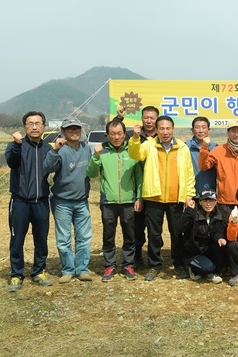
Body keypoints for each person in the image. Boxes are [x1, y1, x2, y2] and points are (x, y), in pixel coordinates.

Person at [128, 115, 196, 281]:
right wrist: (135, 139)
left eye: (168, 128)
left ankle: (178, 264)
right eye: (162, 129)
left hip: (176, 199)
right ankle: (155, 264)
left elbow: (189, 173)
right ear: (157, 130)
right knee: (154, 234)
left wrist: (189, 195)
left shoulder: (182, 148)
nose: (165, 132)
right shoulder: (149, 145)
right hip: (154, 197)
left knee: (177, 233)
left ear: (173, 129)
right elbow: (136, 154)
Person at [86, 119, 143, 282]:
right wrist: (96, 157)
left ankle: (128, 264)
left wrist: (139, 197)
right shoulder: (102, 152)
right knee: (108, 235)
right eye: (113, 134)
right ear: (108, 135)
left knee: (130, 234)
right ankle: (109, 265)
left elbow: (139, 177)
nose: (116, 137)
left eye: (119, 133)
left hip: (128, 201)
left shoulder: (132, 152)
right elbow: (91, 173)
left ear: (125, 134)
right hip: (108, 202)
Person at [5, 111, 53, 292]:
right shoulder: (14, 146)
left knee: (41, 239)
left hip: (41, 201)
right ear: (24, 126)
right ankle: (16, 274)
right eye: (30, 123)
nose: (34, 127)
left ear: (44, 127)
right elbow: (12, 162)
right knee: (17, 239)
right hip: (20, 202)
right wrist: (18, 145)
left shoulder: (47, 149)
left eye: (38, 123)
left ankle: (39, 271)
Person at [43, 117, 93, 283]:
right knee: (63, 239)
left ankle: (83, 269)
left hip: (82, 201)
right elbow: (47, 168)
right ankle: (68, 269)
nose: (74, 131)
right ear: (63, 132)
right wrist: (54, 150)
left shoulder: (86, 148)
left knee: (84, 237)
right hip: (62, 202)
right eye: (70, 129)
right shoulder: (60, 150)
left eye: (77, 128)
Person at [116, 105, 160, 268]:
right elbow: (116, 134)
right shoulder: (133, 135)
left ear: (157, 119)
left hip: (155, 187)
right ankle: (136, 256)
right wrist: (118, 118)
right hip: (135, 187)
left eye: (152, 118)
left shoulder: (161, 137)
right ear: (141, 119)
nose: (149, 121)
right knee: (136, 225)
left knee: (154, 226)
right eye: (146, 117)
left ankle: (154, 257)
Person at [199, 120, 238, 219]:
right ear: (228, 132)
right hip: (224, 203)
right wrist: (204, 148)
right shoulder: (218, 151)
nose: (236, 134)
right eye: (233, 131)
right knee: (226, 232)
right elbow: (204, 166)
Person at [177, 187, 226, 284]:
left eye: (211, 201)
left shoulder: (218, 215)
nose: (208, 204)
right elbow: (179, 228)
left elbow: (219, 232)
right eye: (205, 200)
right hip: (193, 251)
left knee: (220, 245)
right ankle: (192, 268)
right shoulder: (193, 214)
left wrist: (220, 238)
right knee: (208, 268)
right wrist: (188, 211)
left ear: (215, 202)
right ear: (200, 202)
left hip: (207, 249)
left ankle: (215, 273)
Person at [187, 116, 217, 197]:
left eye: (204, 127)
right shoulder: (186, 146)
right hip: (191, 193)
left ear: (208, 130)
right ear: (192, 130)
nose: (200, 131)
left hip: (210, 193)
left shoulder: (215, 147)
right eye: (197, 127)